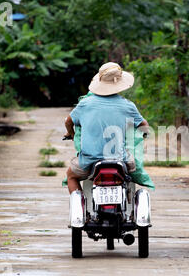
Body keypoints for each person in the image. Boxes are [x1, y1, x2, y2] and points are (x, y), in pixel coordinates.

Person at [64, 62, 149, 194]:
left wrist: (71, 134)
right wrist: (143, 137)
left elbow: (68, 121)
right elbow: (144, 125)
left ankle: (79, 208)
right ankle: (128, 200)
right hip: (119, 159)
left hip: (89, 160)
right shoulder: (128, 105)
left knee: (71, 176)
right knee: (132, 171)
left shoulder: (85, 103)